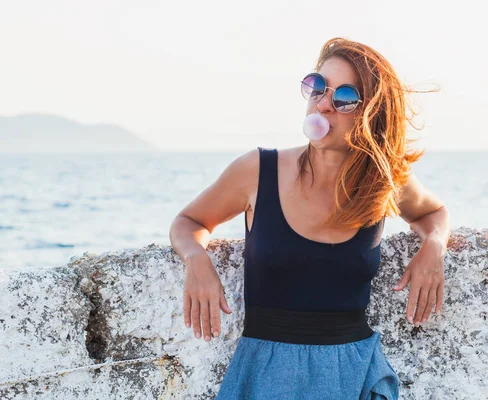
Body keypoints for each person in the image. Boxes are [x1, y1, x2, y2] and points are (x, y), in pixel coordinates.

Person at [168, 37, 451, 399]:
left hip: (354, 374)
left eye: (344, 97)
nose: (323, 104)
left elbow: (434, 212)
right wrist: (196, 259)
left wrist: (434, 245)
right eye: (318, 87)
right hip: (266, 375)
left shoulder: (383, 182)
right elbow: (189, 221)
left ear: (372, 114)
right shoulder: (258, 170)